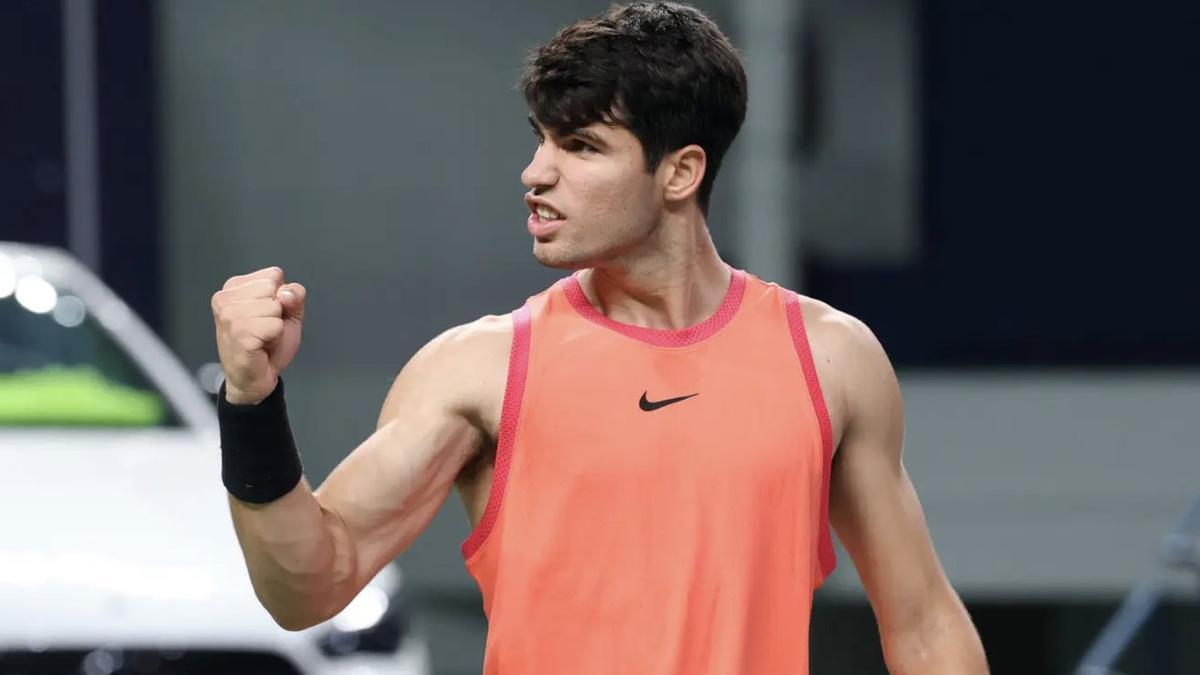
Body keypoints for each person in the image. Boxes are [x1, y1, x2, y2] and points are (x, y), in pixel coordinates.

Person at [210, 2, 988, 673]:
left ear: (680, 173)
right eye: (541, 139)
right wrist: (251, 403)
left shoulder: (830, 358)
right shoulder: (480, 369)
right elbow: (308, 585)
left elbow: (922, 623)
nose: (535, 173)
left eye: (580, 146)